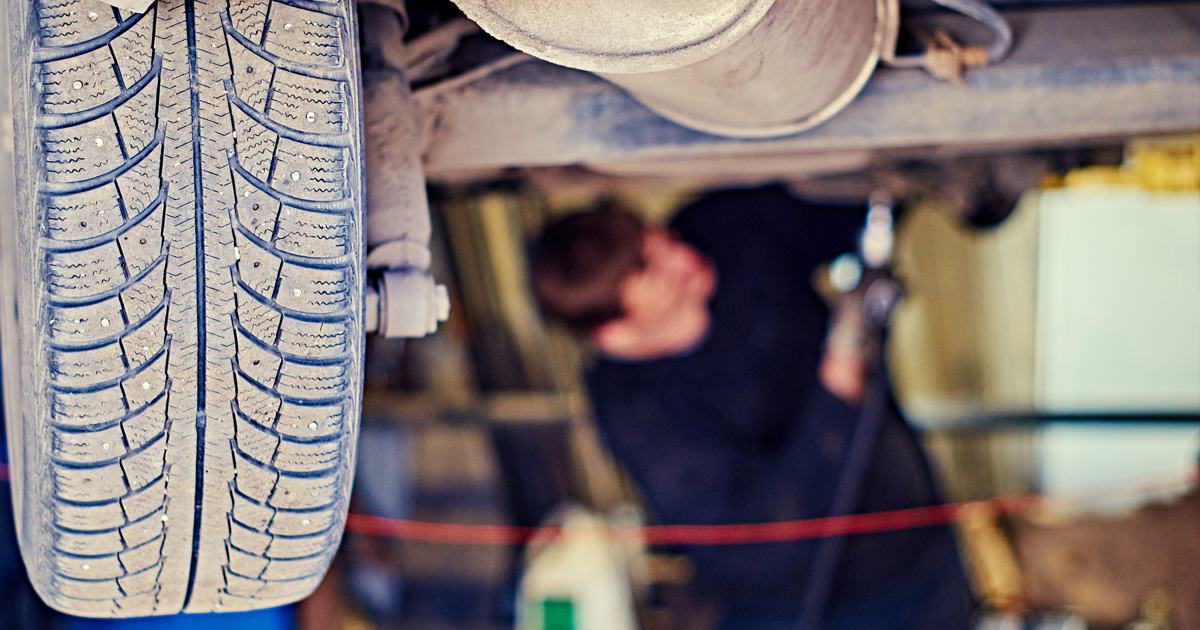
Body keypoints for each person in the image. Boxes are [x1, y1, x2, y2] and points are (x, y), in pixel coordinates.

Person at [529, 185, 975, 630]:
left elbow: (852, 210)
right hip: (791, 611)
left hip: (923, 559)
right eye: (662, 276)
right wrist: (842, 376)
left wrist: (937, 183)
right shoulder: (634, 410)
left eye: (666, 243)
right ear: (614, 332)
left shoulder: (724, 229)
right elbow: (760, 542)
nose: (688, 260)